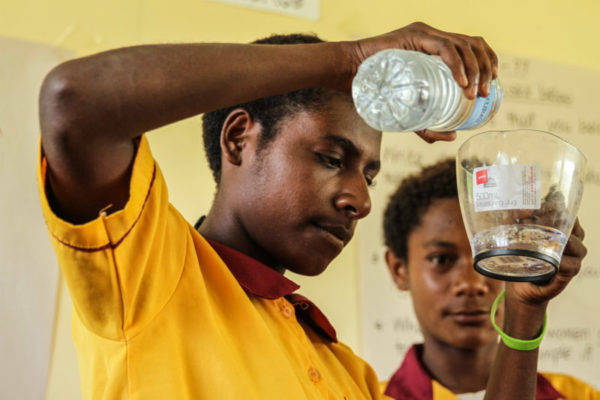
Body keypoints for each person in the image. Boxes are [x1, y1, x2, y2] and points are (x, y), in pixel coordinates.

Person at [38, 20, 575, 399]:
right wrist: (348, 60)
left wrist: (525, 308)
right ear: (239, 139)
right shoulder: (149, 271)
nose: (359, 200)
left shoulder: (345, 372)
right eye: (330, 157)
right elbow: (74, 99)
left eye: (368, 174)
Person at [382, 158, 597, 399]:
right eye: (441, 259)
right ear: (399, 269)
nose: (472, 284)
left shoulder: (578, 395)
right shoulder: (361, 393)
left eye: (495, 254)